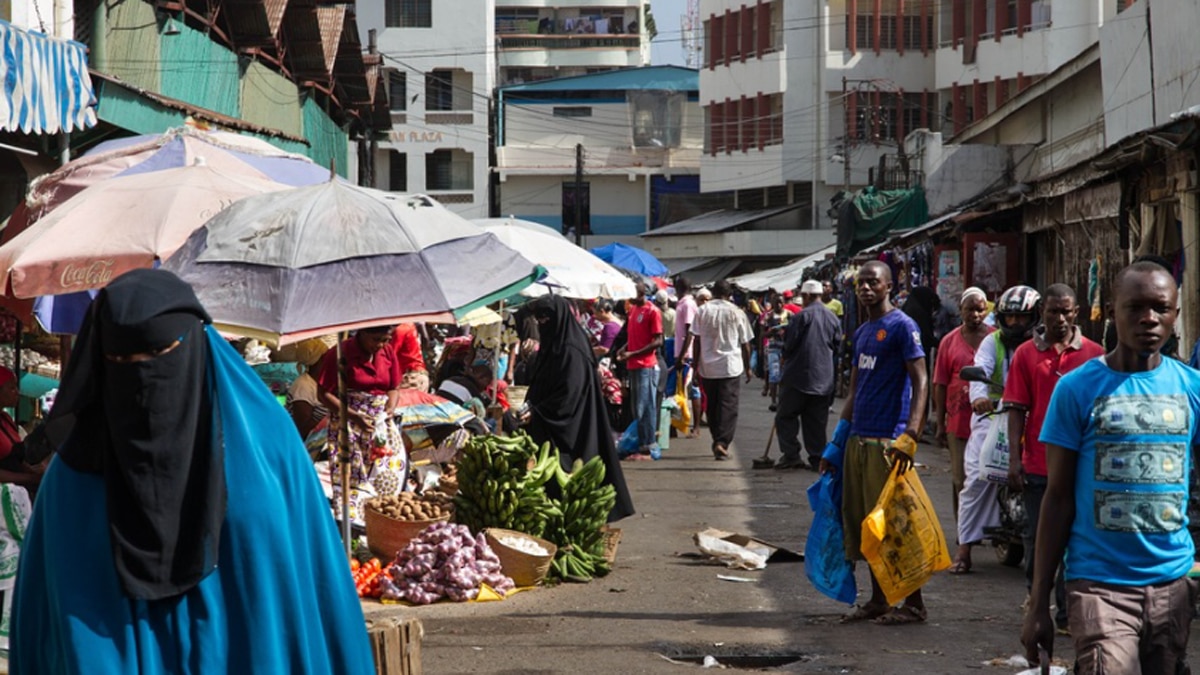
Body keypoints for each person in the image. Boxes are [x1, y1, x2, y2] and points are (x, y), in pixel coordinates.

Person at [11, 268, 374, 674]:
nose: (142, 377)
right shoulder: (73, 481)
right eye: (121, 360)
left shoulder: (266, 448)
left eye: (160, 354)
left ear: (197, 346)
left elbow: (313, 592)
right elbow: (48, 630)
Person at [1023, 262, 1200, 673]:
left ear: (1176, 314)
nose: (1149, 319)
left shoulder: (1191, 388)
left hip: (1172, 584)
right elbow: (1058, 497)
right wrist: (1039, 603)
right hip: (1098, 584)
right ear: (1111, 310)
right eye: (1135, 307)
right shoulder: (1076, 389)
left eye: (1161, 308)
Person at [820, 261, 928, 625]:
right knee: (866, 527)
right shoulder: (863, 331)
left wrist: (911, 432)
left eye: (873, 282)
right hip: (858, 442)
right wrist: (836, 443)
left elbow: (921, 379)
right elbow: (854, 389)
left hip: (888, 443)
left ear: (889, 286)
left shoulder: (902, 326)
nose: (866, 288)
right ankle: (880, 599)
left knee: (895, 526)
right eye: (861, 283)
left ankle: (913, 603)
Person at [1004, 284, 1105, 626]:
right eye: (1052, 312)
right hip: (1038, 464)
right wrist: (1014, 459)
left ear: (1076, 313)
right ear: (1042, 313)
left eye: (1066, 312)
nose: (1059, 319)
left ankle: (1066, 612)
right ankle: (1037, 604)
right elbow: (1017, 407)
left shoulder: (1094, 354)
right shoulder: (1025, 355)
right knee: (1039, 538)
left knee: (1077, 540)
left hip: (1082, 466)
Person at [952, 284, 1041, 574]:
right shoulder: (993, 342)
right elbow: (981, 369)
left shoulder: (1043, 345)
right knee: (977, 480)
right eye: (1011, 317)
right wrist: (979, 398)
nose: (1016, 323)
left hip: (1035, 419)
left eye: (1022, 318)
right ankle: (964, 550)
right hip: (994, 418)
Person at [524, 296, 634, 521]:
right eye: (540, 319)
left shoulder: (571, 349)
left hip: (573, 426)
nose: (543, 324)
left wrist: (539, 410)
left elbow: (569, 395)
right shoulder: (557, 343)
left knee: (571, 476)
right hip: (555, 423)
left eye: (546, 319)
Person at [315, 325, 407, 526]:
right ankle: (352, 527)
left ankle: (378, 523)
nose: (381, 345)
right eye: (376, 340)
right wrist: (354, 416)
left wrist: (390, 407)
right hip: (348, 425)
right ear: (361, 334)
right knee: (351, 478)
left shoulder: (387, 351)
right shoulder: (340, 354)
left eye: (386, 339)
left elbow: (393, 387)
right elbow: (323, 394)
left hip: (380, 425)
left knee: (385, 473)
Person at [932, 287, 993, 533]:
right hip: (958, 419)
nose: (976, 315)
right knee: (960, 478)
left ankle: (989, 526)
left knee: (989, 474)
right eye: (971, 309)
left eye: (981, 309)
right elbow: (940, 382)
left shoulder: (995, 339)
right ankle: (964, 529)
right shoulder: (949, 341)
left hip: (990, 418)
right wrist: (939, 421)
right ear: (961, 311)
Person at [773, 280, 841, 471]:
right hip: (823, 378)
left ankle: (791, 454)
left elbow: (789, 346)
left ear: (807, 296)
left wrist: (784, 354)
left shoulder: (800, 317)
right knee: (816, 421)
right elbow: (837, 348)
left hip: (798, 377)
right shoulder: (833, 318)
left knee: (785, 416)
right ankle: (817, 457)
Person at [691, 280, 754, 461]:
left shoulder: (702, 311)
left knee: (712, 404)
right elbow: (745, 344)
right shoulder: (737, 312)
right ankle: (722, 441)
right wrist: (748, 367)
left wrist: (695, 367)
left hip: (708, 367)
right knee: (728, 406)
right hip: (730, 366)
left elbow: (696, 340)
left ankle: (717, 438)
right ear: (729, 294)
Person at [615, 281, 663, 460]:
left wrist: (633, 353)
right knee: (637, 407)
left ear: (641, 293)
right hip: (633, 364)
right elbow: (636, 336)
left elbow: (657, 341)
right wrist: (625, 348)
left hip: (646, 365)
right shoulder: (633, 311)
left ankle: (647, 445)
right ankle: (641, 443)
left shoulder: (652, 311)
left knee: (645, 406)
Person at [672, 276, 703, 438]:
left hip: (687, 355)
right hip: (681, 352)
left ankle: (696, 427)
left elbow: (690, 331)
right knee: (680, 390)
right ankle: (677, 424)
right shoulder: (682, 304)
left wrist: (683, 354)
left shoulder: (688, 305)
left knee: (693, 390)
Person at [764, 297, 793, 412]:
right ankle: (773, 401)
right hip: (773, 348)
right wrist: (771, 332)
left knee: (784, 375)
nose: (779, 305)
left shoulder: (790, 315)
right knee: (774, 375)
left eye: (781, 302)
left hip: (786, 348)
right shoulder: (769, 316)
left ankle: (783, 400)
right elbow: (763, 333)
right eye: (776, 302)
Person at [392, 323, 430, 391]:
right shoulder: (410, 325)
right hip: (419, 374)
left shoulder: (401, 330)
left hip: (411, 376)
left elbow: (389, 355)